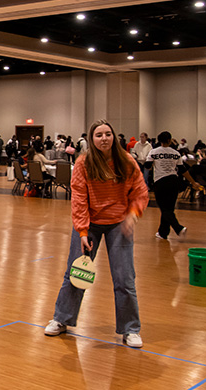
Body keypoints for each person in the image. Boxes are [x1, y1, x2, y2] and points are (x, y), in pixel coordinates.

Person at [45, 119, 149, 348]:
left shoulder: (127, 162)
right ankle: (61, 319)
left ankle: (130, 329)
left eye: (108, 134)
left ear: (114, 137)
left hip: (119, 224)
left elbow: (140, 192)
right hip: (89, 224)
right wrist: (82, 231)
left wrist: (133, 214)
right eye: (99, 135)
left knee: (125, 279)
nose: (104, 138)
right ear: (92, 139)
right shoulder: (84, 163)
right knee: (76, 272)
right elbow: (79, 199)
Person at [146, 131, 203, 240]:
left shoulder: (153, 152)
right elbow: (183, 170)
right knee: (169, 208)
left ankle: (178, 228)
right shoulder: (176, 153)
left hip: (160, 182)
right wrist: (193, 182)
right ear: (169, 140)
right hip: (173, 181)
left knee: (164, 209)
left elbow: (147, 166)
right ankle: (163, 233)